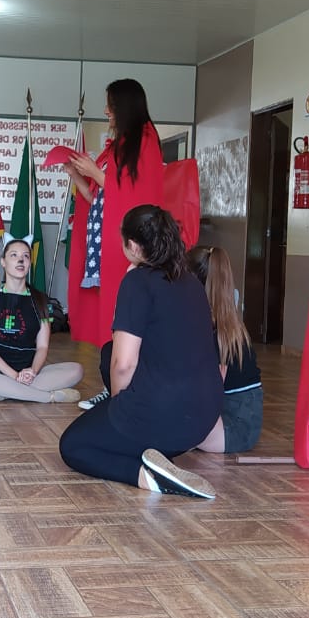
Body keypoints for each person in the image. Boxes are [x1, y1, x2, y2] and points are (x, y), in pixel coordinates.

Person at [59, 205, 222, 499]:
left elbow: (124, 364)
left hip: (162, 414)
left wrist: (118, 405)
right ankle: (157, 457)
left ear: (133, 246)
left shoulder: (137, 282)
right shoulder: (192, 282)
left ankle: (146, 477)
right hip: (202, 420)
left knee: (74, 445)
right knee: (108, 354)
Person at [64, 78, 166, 366]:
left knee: (122, 309)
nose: (106, 111)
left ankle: (123, 377)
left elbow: (138, 196)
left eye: (111, 104)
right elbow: (97, 196)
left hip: (125, 245)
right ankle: (111, 377)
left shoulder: (145, 140)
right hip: (104, 244)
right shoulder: (119, 146)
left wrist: (95, 172)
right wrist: (76, 174)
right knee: (106, 310)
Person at [0, 237, 82, 404]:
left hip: (27, 370)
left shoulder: (42, 301)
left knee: (76, 370)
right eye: (14, 255)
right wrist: (14, 376)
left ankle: (3, 392)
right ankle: (48, 397)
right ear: (3, 262)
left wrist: (33, 371)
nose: (21, 260)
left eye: (26, 256)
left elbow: (42, 347)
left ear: (29, 263)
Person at [186, 245, 262, 453]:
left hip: (232, 431)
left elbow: (207, 394)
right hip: (235, 424)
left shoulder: (213, 335)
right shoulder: (225, 326)